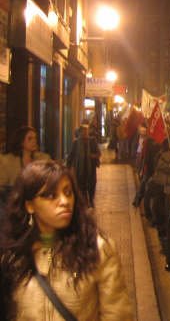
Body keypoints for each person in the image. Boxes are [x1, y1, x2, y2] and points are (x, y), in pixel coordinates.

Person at [0, 160, 132, 320]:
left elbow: (117, 314)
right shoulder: (13, 256)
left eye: (68, 192)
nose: (64, 201)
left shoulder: (96, 249)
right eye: (50, 195)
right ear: (29, 206)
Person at [0, 127, 50, 211]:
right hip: (14, 203)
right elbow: (2, 185)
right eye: (30, 138)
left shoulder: (42, 159)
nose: (34, 141)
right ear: (21, 142)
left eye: (35, 138)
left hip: (36, 202)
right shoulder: (8, 161)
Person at [66, 123, 100, 207]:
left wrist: (92, 156)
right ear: (80, 132)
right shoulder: (76, 143)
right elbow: (71, 155)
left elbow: (98, 153)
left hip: (90, 168)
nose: (86, 133)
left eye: (87, 131)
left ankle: (91, 200)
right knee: (81, 186)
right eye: (84, 131)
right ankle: (84, 202)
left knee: (91, 185)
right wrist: (68, 167)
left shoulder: (92, 141)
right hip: (79, 169)